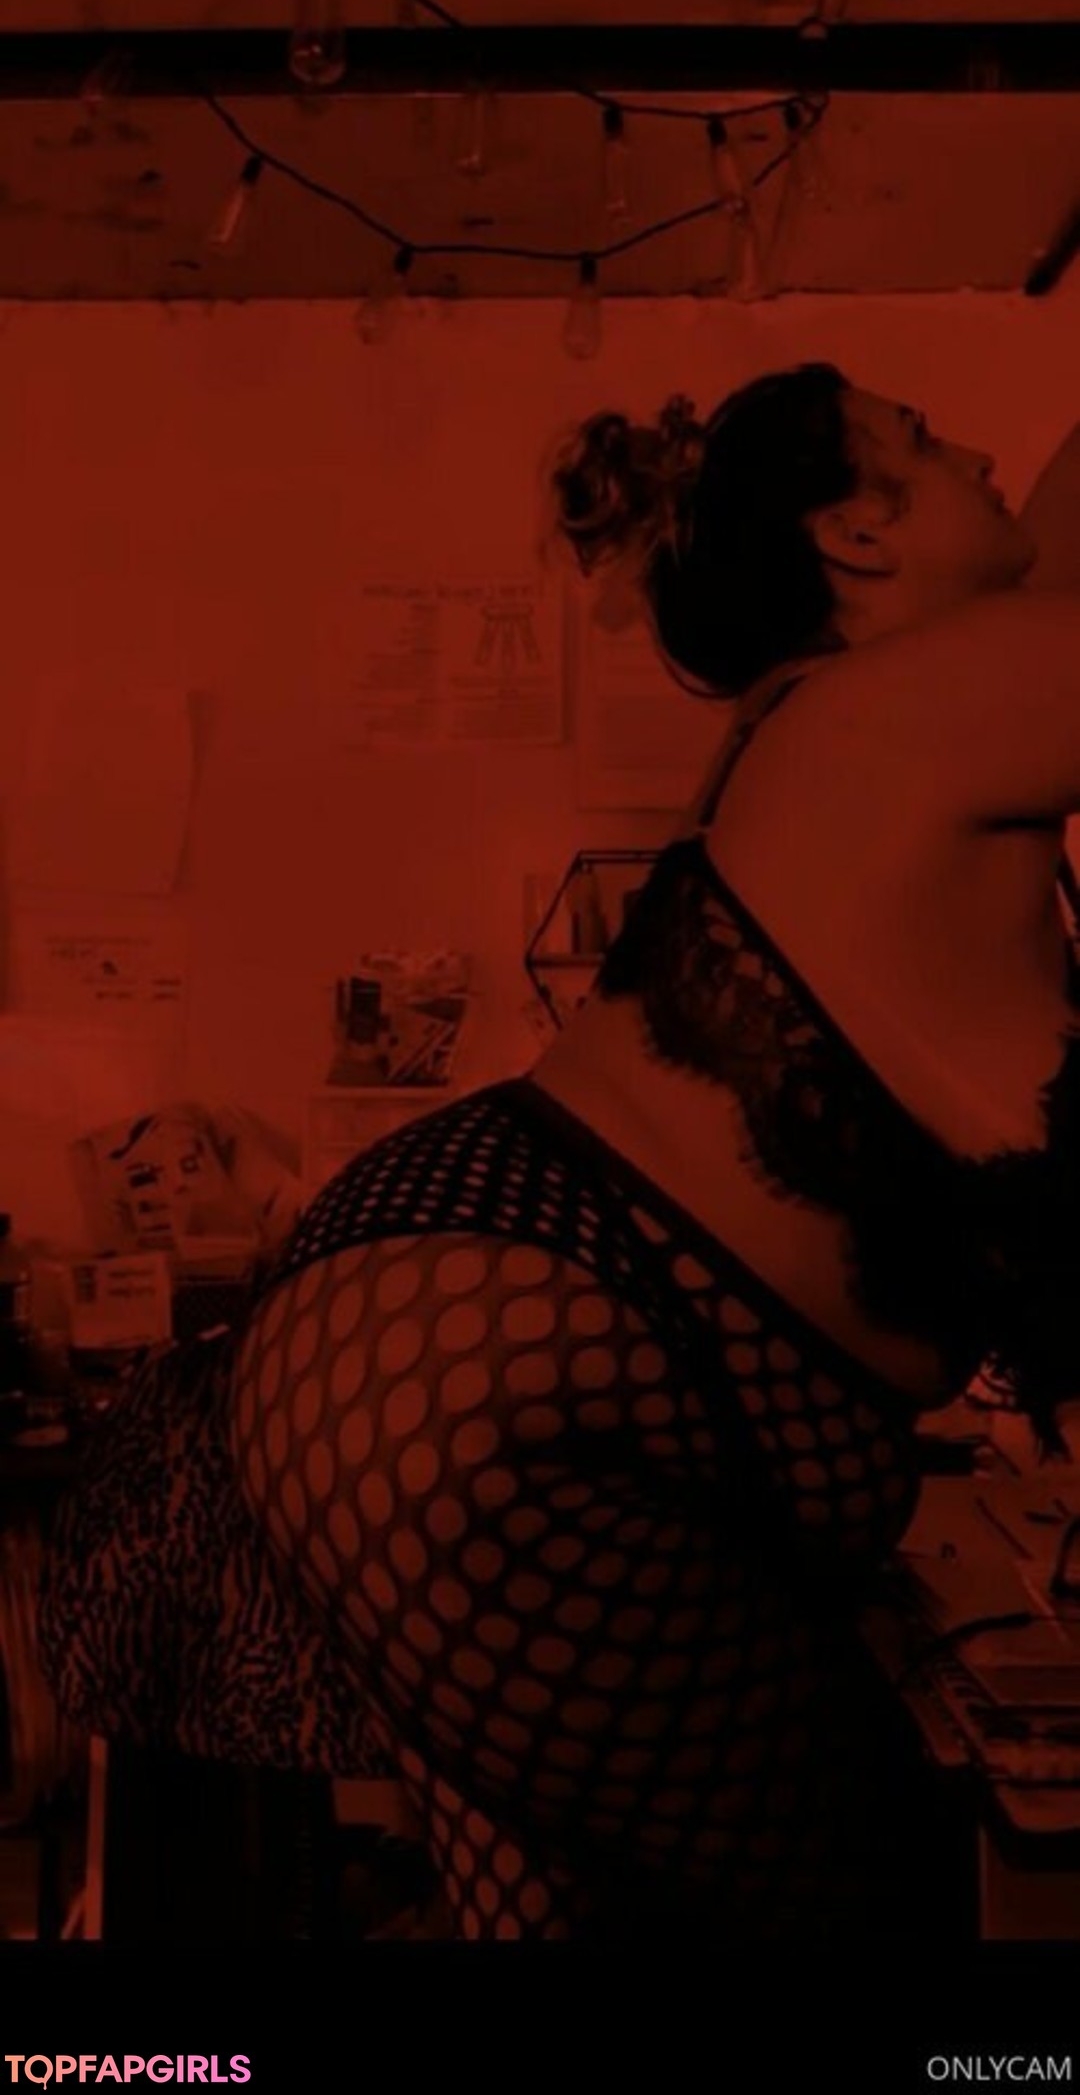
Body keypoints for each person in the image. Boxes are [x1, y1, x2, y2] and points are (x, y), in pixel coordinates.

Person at [38, 364, 1080, 1943]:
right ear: (856, 533)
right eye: (926, 442)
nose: (985, 451)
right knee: (847, 1892)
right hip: (495, 1378)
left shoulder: (835, 733)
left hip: (440, 1357)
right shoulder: (920, 706)